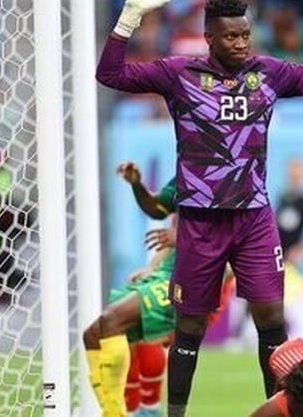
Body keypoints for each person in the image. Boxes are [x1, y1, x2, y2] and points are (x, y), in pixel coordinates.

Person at [95, 0, 303, 417]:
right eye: (230, 36)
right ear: (209, 37)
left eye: (246, 34)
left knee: (271, 320)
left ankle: (278, 410)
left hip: (252, 218)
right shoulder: (179, 74)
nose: (241, 43)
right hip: (200, 221)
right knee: (188, 327)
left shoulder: (268, 73)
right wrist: (129, 19)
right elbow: (109, 73)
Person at [83, 163, 234, 417]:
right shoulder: (187, 173)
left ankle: (131, 411)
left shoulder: (231, 182)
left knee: (113, 322)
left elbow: (231, 252)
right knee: (94, 335)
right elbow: (158, 212)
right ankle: (124, 411)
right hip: (165, 273)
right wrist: (136, 184)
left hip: (196, 280)